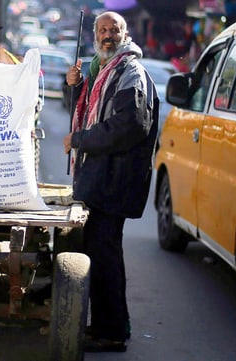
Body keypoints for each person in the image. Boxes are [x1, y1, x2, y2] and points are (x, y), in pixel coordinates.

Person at [63, 11, 159, 352]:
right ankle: (107, 326)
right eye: (102, 30)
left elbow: (129, 126)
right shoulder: (101, 71)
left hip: (113, 181)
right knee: (99, 254)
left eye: (114, 29)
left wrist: (80, 140)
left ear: (125, 33)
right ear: (94, 34)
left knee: (103, 256)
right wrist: (73, 86)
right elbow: (87, 110)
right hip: (99, 179)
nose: (108, 35)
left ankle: (112, 332)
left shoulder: (130, 72)